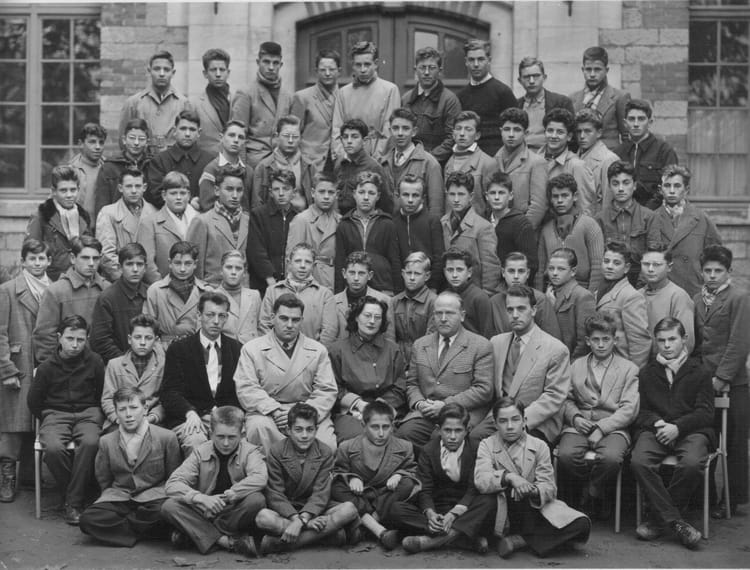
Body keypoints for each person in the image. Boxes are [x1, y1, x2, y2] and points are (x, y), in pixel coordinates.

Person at [630, 317, 713, 549]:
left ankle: (658, 520)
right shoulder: (647, 373)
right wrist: (657, 424)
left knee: (692, 463)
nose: (666, 345)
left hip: (691, 431)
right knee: (639, 461)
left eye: (672, 339)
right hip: (657, 430)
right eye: (661, 340)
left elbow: (706, 412)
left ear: (684, 339)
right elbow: (641, 412)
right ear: (655, 341)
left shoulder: (700, 371)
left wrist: (678, 428)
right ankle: (677, 522)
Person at [474, 398, 590, 558]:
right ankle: (528, 539)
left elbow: (549, 486)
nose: (510, 426)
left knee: (581, 524)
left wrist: (532, 490)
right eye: (503, 421)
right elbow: (481, 479)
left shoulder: (539, 445)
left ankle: (520, 540)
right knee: (482, 505)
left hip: (529, 507)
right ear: (495, 424)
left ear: (524, 421)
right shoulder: (487, 444)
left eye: (515, 419)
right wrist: (509, 477)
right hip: (501, 505)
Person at [234, 293, 338, 455]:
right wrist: (274, 410)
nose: (289, 325)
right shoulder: (252, 349)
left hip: (307, 411)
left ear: (301, 320)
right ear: (272, 318)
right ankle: (270, 471)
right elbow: (246, 387)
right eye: (284, 318)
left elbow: (326, 390)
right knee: (259, 429)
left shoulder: (318, 350)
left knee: (327, 444)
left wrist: (301, 413)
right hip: (268, 412)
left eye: (295, 320)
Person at [557, 313, 639, 516]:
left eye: (606, 339)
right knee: (566, 456)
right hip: (580, 425)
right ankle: (588, 487)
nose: (601, 345)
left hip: (613, 427)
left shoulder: (629, 369)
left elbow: (629, 409)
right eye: (595, 340)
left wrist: (602, 428)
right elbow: (565, 400)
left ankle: (592, 492)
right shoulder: (576, 366)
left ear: (615, 340)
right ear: (588, 341)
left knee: (611, 459)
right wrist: (575, 417)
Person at [27, 315, 105, 525]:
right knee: (52, 448)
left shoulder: (95, 361)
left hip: (88, 413)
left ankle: (71, 501)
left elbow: (101, 394)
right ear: (59, 337)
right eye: (70, 338)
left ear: (87, 339)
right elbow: (34, 401)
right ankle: (76, 497)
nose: (75, 345)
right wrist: (49, 416)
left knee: (91, 442)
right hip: (55, 414)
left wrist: (94, 414)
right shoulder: (46, 367)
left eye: (80, 340)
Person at [79, 387, 181, 546]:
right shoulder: (107, 441)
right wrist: (111, 497)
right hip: (120, 496)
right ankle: (152, 532)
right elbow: (103, 477)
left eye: (133, 408)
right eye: (122, 409)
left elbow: (173, 476)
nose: (128, 414)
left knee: (165, 511)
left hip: (154, 498)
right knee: (87, 519)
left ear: (145, 409)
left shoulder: (166, 437)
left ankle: (121, 530)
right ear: (116, 412)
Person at [389, 403, 496, 554]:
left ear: (467, 430)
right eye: (447, 430)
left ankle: (431, 542)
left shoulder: (476, 448)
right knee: (396, 509)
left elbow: (473, 489)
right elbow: (425, 490)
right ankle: (462, 539)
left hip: (465, 509)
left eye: (458, 430)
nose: (452, 437)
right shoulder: (428, 450)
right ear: (438, 429)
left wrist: (453, 515)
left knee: (489, 501)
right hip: (438, 508)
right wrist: (431, 514)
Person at [162, 405, 267, 558]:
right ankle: (226, 541)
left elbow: (260, 477)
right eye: (220, 437)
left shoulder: (250, 451)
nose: (226, 443)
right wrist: (200, 498)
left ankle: (198, 534)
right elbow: (172, 484)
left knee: (257, 500)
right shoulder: (201, 451)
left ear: (242, 434)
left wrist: (231, 494)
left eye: (232, 437)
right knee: (169, 506)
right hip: (204, 509)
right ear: (211, 434)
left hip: (233, 510)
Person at [255, 403, 360, 555]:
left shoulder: (324, 452)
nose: (304, 435)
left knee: (349, 509)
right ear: (288, 430)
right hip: (288, 509)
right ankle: (327, 536)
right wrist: (300, 521)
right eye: (298, 430)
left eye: (310, 429)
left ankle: (281, 544)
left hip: (315, 509)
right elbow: (275, 494)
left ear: (316, 430)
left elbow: (321, 493)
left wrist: (304, 518)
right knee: (263, 518)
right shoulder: (276, 451)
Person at [694, 245, 750, 517]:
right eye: (708, 270)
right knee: (707, 437)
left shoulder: (739, 298)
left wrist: (723, 377)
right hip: (704, 381)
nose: (713, 275)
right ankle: (706, 496)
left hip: (732, 383)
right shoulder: (697, 298)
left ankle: (733, 498)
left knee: (734, 441)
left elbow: (739, 342)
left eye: (718, 270)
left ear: (729, 271)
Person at [397, 291, 494, 447]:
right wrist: (420, 404)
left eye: (449, 313)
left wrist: (445, 405)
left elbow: (484, 390)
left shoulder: (481, 346)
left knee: (441, 440)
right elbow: (412, 383)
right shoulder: (420, 345)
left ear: (462, 316)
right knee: (404, 434)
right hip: (426, 413)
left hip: (462, 413)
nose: (443, 318)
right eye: (438, 313)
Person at [481, 285, 571, 448]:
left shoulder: (556, 349)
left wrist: (518, 420)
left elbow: (554, 396)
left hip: (536, 422)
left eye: (521, 309)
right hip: (500, 417)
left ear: (534, 310)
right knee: (475, 438)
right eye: (510, 310)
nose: (515, 315)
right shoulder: (496, 342)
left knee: (517, 448)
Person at [160, 291, 242, 456]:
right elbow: (169, 392)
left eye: (221, 316)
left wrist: (224, 416)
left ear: (226, 318)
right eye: (210, 315)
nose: (216, 321)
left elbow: (240, 391)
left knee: (245, 442)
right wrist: (190, 412)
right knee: (196, 442)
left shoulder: (237, 349)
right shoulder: (179, 349)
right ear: (199, 315)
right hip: (191, 417)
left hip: (227, 418)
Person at [0, 239, 51, 502]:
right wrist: (6, 368)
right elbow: (0, 333)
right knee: (12, 423)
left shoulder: (54, 289)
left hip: (43, 364)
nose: (37, 263)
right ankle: (7, 474)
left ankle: (31, 474)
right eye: (32, 258)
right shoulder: (8, 290)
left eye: (42, 258)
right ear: (23, 261)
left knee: (36, 416)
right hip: (18, 363)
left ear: (49, 261)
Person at [331, 401, 419, 550]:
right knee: (336, 486)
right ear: (364, 425)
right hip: (360, 495)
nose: (381, 433)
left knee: (407, 484)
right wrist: (351, 477)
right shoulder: (347, 446)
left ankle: (366, 525)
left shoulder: (405, 447)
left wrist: (399, 474)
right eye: (375, 427)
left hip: (386, 495)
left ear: (393, 426)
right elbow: (338, 471)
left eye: (386, 427)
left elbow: (412, 470)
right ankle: (378, 529)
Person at [328, 296, 407, 443]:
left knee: (393, 439)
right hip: (351, 412)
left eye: (377, 317)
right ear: (356, 317)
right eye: (367, 315)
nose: (372, 321)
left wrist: (378, 407)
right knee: (356, 439)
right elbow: (333, 387)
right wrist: (358, 404)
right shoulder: (337, 350)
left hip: (386, 408)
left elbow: (400, 386)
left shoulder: (393, 349)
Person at [646, 164, 722, 298]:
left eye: (677, 186)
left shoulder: (701, 219)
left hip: (693, 291)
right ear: (660, 189)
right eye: (667, 186)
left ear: (686, 190)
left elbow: (716, 258)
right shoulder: (651, 219)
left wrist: (709, 288)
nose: (671, 191)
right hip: (662, 292)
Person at [32, 236, 108, 364]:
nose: (91, 263)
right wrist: (54, 366)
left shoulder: (107, 288)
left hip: (100, 365)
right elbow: (44, 336)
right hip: (65, 366)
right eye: (85, 258)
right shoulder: (56, 291)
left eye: (95, 258)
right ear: (73, 258)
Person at [331, 41, 400, 162]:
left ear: (376, 64)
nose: (363, 70)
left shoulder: (389, 90)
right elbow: (337, 131)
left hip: (378, 159)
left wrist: (372, 160)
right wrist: (345, 158)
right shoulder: (343, 93)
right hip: (349, 159)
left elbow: (389, 130)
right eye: (358, 65)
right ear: (353, 65)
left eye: (367, 64)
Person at [334, 171, 402, 295]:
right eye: (361, 192)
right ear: (354, 194)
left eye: (371, 193)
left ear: (378, 196)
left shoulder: (387, 224)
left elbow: (395, 261)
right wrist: (339, 293)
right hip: (354, 288)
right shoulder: (344, 225)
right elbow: (340, 262)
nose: (366, 197)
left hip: (382, 286)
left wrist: (398, 293)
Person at [259, 243, 337, 347]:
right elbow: (265, 325)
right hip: (276, 351)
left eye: (308, 262)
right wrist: (276, 350)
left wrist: (315, 353)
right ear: (289, 263)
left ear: (314, 266)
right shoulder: (273, 291)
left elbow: (329, 331)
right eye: (298, 261)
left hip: (312, 353)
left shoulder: (325, 294)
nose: (302, 266)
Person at [537, 173, 605, 294]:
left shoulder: (589, 225)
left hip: (581, 290)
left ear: (575, 196)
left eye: (565, 195)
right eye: (555, 196)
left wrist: (590, 296)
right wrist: (540, 298)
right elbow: (540, 270)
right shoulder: (546, 229)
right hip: (552, 292)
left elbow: (597, 267)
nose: (560, 200)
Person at [230, 41, 293, 168]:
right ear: (258, 62)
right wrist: (241, 168)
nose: (271, 67)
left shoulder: (287, 95)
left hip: (281, 162)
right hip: (254, 162)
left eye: (275, 63)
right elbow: (237, 134)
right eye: (266, 62)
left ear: (281, 65)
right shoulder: (246, 93)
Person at [187, 164, 250, 287]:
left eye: (239, 190)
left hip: (243, 291)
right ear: (216, 190)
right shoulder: (202, 221)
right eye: (229, 189)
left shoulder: (248, 220)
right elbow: (194, 265)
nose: (235, 195)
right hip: (213, 291)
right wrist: (203, 290)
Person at [26, 165, 93, 281]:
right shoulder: (41, 216)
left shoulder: (83, 217)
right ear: (54, 191)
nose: (69, 195)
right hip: (50, 281)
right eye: (63, 190)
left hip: (80, 279)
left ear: (78, 189)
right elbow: (30, 254)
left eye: (73, 190)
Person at [100, 315, 166, 431]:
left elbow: (165, 399)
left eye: (148, 338)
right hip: (119, 421)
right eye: (137, 337)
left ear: (156, 340)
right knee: (113, 438)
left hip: (151, 421)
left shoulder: (163, 365)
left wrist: (152, 417)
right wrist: (118, 419)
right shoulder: (115, 365)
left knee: (159, 437)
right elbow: (108, 399)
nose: (142, 342)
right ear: (130, 339)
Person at [441, 171, 502, 296]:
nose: (456, 199)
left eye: (461, 194)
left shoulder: (483, 227)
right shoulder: (442, 222)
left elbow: (490, 268)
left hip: (474, 294)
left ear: (471, 196)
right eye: (452, 194)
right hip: (449, 294)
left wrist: (486, 296)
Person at [118, 50, 191, 153]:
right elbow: (123, 141)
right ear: (149, 71)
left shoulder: (183, 104)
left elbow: (188, 138)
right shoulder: (133, 103)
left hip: (173, 160)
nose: (161, 74)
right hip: (143, 160)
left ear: (173, 73)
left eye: (166, 70)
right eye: (157, 69)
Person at [143, 241, 211, 348]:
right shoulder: (155, 291)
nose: (182, 269)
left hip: (198, 348)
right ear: (170, 263)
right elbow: (147, 328)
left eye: (188, 264)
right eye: (178, 263)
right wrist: (158, 351)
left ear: (195, 264)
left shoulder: (206, 292)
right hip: (166, 349)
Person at [401, 46, 461, 166]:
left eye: (432, 68)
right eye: (422, 67)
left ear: (440, 70)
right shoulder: (406, 99)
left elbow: (452, 138)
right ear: (415, 70)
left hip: (437, 164)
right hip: (408, 162)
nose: (427, 72)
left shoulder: (449, 100)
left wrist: (427, 160)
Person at [596, 161, 654, 286]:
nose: (621, 189)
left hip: (641, 281)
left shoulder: (649, 217)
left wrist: (641, 287)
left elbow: (653, 255)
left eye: (626, 183)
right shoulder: (600, 219)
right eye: (615, 183)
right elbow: (597, 259)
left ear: (634, 185)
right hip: (609, 282)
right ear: (609, 186)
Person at [90, 243, 150, 364]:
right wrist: (125, 362)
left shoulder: (151, 293)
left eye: (139, 264)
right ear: (120, 267)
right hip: (119, 364)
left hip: (150, 363)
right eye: (129, 264)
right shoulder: (107, 298)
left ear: (145, 267)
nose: (135, 269)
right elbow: (100, 340)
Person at [595, 241, 651, 369]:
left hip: (620, 366)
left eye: (616, 263)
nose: (609, 266)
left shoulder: (631, 296)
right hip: (601, 363)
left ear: (626, 268)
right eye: (606, 261)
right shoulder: (599, 291)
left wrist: (633, 373)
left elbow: (640, 342)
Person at [615, 99, 679, 210]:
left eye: (641, 119)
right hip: (623, 213)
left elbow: (669, 188)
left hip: (655, 213)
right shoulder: (617, 153)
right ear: (625, 123)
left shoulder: (664, 151)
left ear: (650, 122)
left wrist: (646, 212)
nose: (636, 124)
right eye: (631, 119)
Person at [136, 171, 199, 284]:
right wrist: (161, 287)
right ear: (164, 195)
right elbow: (148, 262)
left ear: (189, 195)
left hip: (194, 286)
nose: (178, 197)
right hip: (163, 286)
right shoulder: (150, 223)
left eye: (183, 193)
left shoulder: (198, 220)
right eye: (173, 193)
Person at [457, 39, 516, 156]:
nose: (476, 64)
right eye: (471, 60)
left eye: (481, 59)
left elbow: (515, 129)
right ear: (466, 62)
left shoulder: (503, 92)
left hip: (497, 156)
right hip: (468, 154)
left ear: (489, 60)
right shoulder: (461, 95)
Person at [96, 167, 156, 281]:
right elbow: (106, 254)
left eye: (137, 186)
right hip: (119, 280)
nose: (133, 191)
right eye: (128, 186)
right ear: (120, 188)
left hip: (148, 280)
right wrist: (126, 279)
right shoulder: (108, 213)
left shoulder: (154, 213)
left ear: (144, 187)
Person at [381, 108, 444, 216]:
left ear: (414, 131)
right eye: (395, 128)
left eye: (405, 128)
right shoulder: (383, 162)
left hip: (417, 224)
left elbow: (436, 208)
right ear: (390, 131)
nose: (400, 133)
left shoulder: (429, 163)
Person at [146, 110, 215, 209]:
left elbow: (214, 192)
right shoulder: (160, 161)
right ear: (175, 131)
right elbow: (157, 194)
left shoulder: (209, 161)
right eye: (183, 129)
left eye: (192, 129)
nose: (187, 134)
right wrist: (189, 202)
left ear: (199, 133)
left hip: (202, 214)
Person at [285, 172, 341, 290]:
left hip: (334, 278)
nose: (326, 196)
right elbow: (292, 258)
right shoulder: (302, 220)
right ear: (313, 193)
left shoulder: (340, 221)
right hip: (308, 280)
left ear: (337, 194)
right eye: (321, 192)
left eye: (331, 192)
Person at [493, 108, 548, 230]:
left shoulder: (536, 162)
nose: (511, 134)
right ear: (501, 131)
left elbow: (538, 206)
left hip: (522, 229)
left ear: (526, 133)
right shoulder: (493, 160)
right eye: (507, 129)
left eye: (517, 130)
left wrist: (522, 232)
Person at [246, 168, 298, 295]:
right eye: (276, 189)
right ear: (270, 192)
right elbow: (256, 250)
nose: (281, 193)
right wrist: (270, 279)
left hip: (293, 283)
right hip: (263, 283)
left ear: (294, 192)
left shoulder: (299, 217)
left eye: (286, 189)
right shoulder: (259, 215)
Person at [570, 46, 631, 150]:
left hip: (609, 154)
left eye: (597, 69)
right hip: (580, 155)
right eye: (588, 69)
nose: (592, 74)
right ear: (582, 70)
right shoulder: (573, 98)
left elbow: (627, 136)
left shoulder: (619, 97)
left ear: (606, 70)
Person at [489, 251, 561, 339]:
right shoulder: (494, 302)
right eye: (511, 271)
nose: (516, 276)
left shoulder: (539, 299)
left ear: (528, 274)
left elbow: (552, 337)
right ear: (503, 272)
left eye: (521, 271)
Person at [639, 246, 695, 356]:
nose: (650, 269)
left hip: (668, 360)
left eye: (657, 265)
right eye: (646, 264)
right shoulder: (637, 295)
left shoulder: (678, 296)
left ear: (669, 267)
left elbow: (686, 341)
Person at [291, 49, 341, 172]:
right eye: (323, 70)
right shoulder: (302, 97)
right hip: (310, 162)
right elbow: (293, 133)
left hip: (337, 162)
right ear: (316, 71)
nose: (327, 73)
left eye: (332, 69)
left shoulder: (344, 97)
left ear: (339, 71)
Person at [392, 174, 445, 292]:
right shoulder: (393, 222)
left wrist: (433, 286)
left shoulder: (432, 221)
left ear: (423, 198)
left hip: (428, 286)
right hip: (402, 287)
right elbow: (394, 259)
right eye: (406, 195)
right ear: (398, 196)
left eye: (415, 195)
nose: (410, 200)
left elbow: (439, 257)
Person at [539, 108, 596, 216]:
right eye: (550, 130)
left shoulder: (577, 166)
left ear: (569, 136)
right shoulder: (535, 160)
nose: (554, 136)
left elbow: (585, 208)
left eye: (560, 132)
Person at [483, 170, 538, 282]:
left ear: (511, 195)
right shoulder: (482, 221)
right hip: (487, 281)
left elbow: (531, 264)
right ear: (486, 196)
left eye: (501, 193)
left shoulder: (521, 223)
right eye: (492, 193)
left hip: (513, 284)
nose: (497, 197)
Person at [94, 119, 152, 222]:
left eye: (141, 139)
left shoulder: (153, 166)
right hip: (116, 223)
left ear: (147, 142)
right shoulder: (109, 168)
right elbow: (102, 205)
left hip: (147, 223)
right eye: (132, 138)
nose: (136, 143)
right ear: (124, 140)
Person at [333, 119, 395, 215]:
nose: (349, 141)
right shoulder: (339, 163)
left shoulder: (374, 167)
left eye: (354, 137)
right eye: (345, 137)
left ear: (364, 141)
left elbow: (386, 204)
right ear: (341, 139)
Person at [253, 115, 317, 207]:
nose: (290, 140)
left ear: (301, 138)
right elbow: (257, 203)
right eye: (286, 136)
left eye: (295, 136)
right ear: (277, 136)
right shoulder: (263, 167)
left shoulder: (309, 166)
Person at [332, 251, 395, 345]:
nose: (356, 278)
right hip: (342, 352)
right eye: (352, 273)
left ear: (370, 275)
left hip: (373, 352)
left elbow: (389, 338)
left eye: (361, 273)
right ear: (344, 273)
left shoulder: (383, 300)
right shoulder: (333, 301)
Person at [516, 56, 575, 152]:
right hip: (521, 156)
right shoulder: (515, 104)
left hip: (550, 156)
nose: (531, 81)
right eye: (526, 77)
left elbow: (572, 137)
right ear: (520, 81)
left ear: (544, 77)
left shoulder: (561, 102)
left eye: (536, 76)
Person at [546, 248, 596, 360]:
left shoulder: (583, 296)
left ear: (573, 271)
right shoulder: (549, 294)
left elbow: (584, 342)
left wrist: (573, 365)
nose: (554, 273)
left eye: (561, 269)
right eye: (551, 268)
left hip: (570, 361)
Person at [443, 111, 497, 213]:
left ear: (477, 135)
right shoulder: (448, 162)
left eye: (468, 129)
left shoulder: (488, 163)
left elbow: (493, 203)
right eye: (458, 128)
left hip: (477, 221)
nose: (462, 134)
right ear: (453, 134)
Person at [390, 252, 438, 365]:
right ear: (403, 273)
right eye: (408, 273)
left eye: (417, 274)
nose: (411, 278)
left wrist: (415, 364)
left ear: (427, 276)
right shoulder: (395, 301)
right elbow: (390, 337)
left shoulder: (434, 302)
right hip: (398, 360)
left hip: (424, 361)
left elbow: (431, 338)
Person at [197, 120, 256, 212]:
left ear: (245, 142)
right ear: (221, 138)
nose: (236, 140)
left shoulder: (249, 171)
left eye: (240, 137)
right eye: (231, 135)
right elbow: (206, 205)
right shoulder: (212, 169)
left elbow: (253, 204)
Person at [576, 108, 619, 215]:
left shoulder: (608, 160)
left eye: (587, 131)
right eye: (579, 131)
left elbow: (609, 203)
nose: (582, 136)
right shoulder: (575, 157)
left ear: (599, 133)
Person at [443, 248, 493, 338]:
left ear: (469, 272)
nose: (454, 275)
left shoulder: (479, 297)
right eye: (450, 270)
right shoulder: (443, 297)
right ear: (444, 272)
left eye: (459, 270)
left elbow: (487, 333)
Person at [191, 48, 233, 155]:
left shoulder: (237, 101)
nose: (218, 74)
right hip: (205, 160)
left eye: (222, 70)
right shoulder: (195, 104)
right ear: (205, 73)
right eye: (213, 70)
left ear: (228, 73)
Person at [214, 250, 261, 345]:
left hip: (251, 349)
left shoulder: (254, 296)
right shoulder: (212, 296)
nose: (233, 272)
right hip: (225, 349)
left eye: (238, 268)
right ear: (221, 271)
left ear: (244, 273)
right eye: (229, 267)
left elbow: (261, 327)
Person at [67, 123, 107, 220]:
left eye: (101, 142)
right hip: (77, 226)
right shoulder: (69, 171)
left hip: (103, 226)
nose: (98, 147)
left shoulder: (108, 169)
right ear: (81, 144)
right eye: (92, 142)